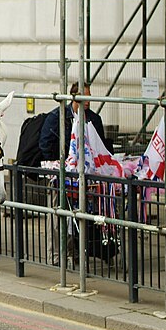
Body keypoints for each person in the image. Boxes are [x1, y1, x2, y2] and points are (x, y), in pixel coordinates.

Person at [38, 82, 109, 266]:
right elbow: (45, 143)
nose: (88, 102)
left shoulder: (94, 119)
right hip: (61, 175)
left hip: (85, 175)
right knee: (57, 214)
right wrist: (60, 165)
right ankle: (56, 255)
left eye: (89, 97)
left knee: (79, 216)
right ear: (74, 97)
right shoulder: (58, 116)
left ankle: (73, 252)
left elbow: (99, 146)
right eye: (84, 97)